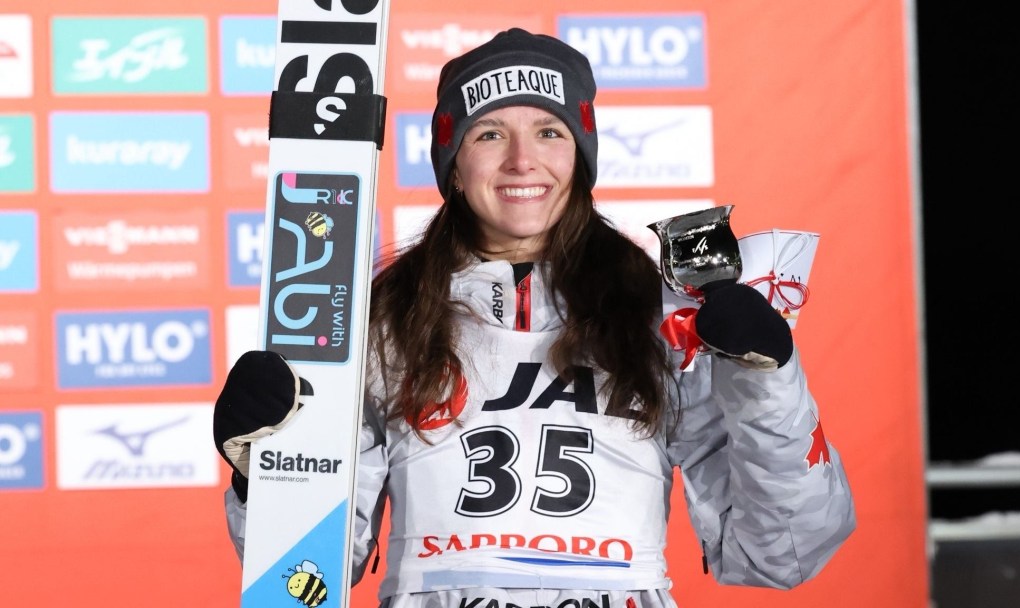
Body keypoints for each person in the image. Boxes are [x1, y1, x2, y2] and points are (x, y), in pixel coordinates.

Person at [214, 27, 855, 608]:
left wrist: (768, 381)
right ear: (453, 165)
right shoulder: (386, 318)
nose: (523, 160)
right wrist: (262, 472)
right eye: (490, 133)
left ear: (579, 158)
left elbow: (782, 553)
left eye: (550, 132)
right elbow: (313, 573)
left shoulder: (659, 314)